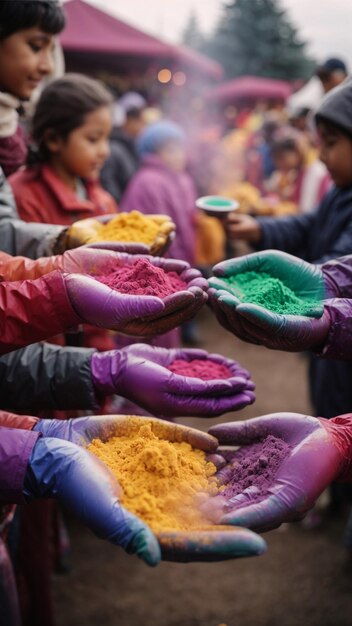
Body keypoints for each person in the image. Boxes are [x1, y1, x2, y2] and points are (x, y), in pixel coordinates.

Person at [224, 76, 352, 422]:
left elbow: (340, 259)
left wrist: (294, 288)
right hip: (333, 330)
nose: (321, 155)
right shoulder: (341, 191)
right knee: (327, 409)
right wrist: (259, 228)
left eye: (331, 143)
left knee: (342, 419)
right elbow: (309, 224)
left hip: (343, 344)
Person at [265, 129, 330, 214]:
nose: (279, 164)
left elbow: (306, 210)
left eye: (282, 158)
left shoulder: (315, 172)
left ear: (297, 151)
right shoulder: (298, 172)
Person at [100, 92, 147, 202]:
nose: (143, 128)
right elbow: (107, 182)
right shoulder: (114, 148)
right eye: (141, 122)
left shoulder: (130, 145)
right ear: (129, 121)